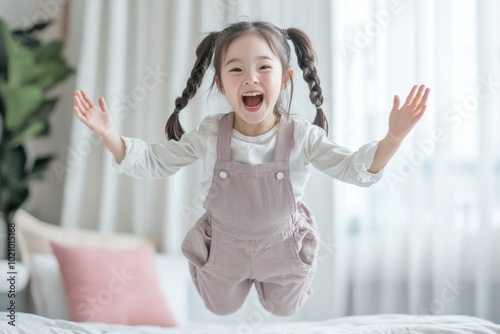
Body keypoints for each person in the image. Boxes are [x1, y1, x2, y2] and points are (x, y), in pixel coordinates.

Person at [73, 20, 430, 316]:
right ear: (221, 84)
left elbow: (354, 169)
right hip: (223, 248)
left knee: (283, 309)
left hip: (283, 247)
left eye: (263, 67)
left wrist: (393, 139)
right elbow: (154, 162)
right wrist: (108, 134)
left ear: (285, 78)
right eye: (236, 69)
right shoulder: (212, 131)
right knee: (220, 308)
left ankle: (287, 280)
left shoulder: (301, 135)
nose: (250, 78)